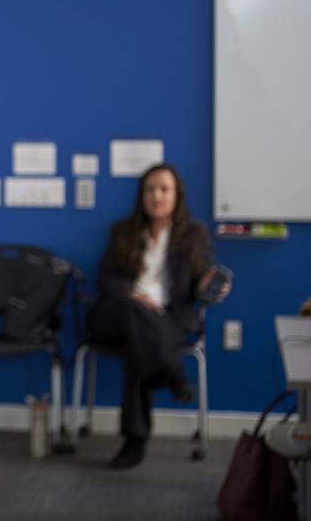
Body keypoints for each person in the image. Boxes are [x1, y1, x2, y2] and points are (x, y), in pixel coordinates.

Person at [87, 163, 230, 469]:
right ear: (142, 195)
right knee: (132, 311)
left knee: (139, 345)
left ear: (177, 195)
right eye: (151, 189)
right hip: (118, 313)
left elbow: (199, 283)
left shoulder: (194, 234)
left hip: (168, 319)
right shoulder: (122, 231)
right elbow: (106, 279)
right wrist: (133, 295)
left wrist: (208, 285)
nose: (157, 196)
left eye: (164, 189)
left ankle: (134, 441)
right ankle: (171, 372)